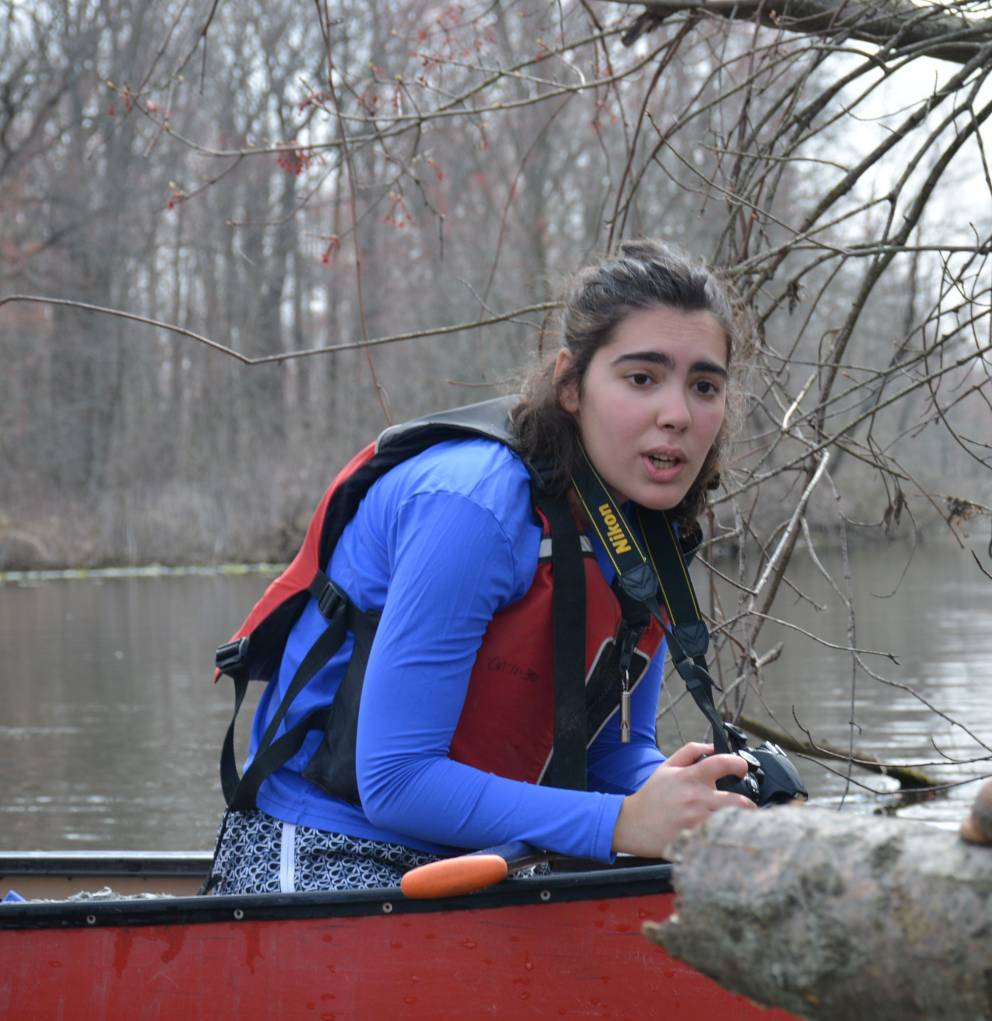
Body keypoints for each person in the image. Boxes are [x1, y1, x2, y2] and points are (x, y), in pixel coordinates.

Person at [204, 240, 757, 894]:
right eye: (642, 378)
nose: (677, 415)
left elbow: (609, 755)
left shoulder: (648, 528)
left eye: (704, 386)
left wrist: (707, 803)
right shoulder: (472, 505)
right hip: (326, 841)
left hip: (488, 854)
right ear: (571, 385)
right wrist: (621, 824)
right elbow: (396, 779)